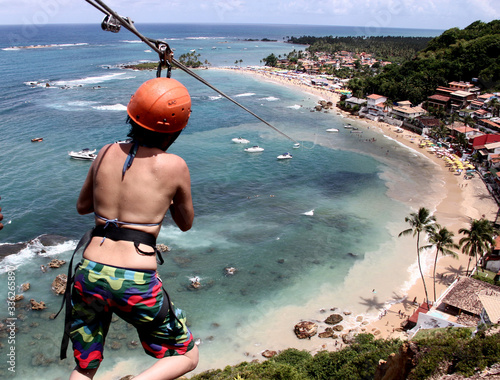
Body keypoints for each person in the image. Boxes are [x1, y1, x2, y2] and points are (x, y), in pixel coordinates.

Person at [67, 77, 198, 380]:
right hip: (134, 280)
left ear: (132, 115)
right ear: (177, 129)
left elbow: (83, 207)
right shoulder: (174, 165)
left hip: (89, 273)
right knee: (188, 355)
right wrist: (161, 200)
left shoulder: (104, 151)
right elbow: (185, 223)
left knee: (85, 367)